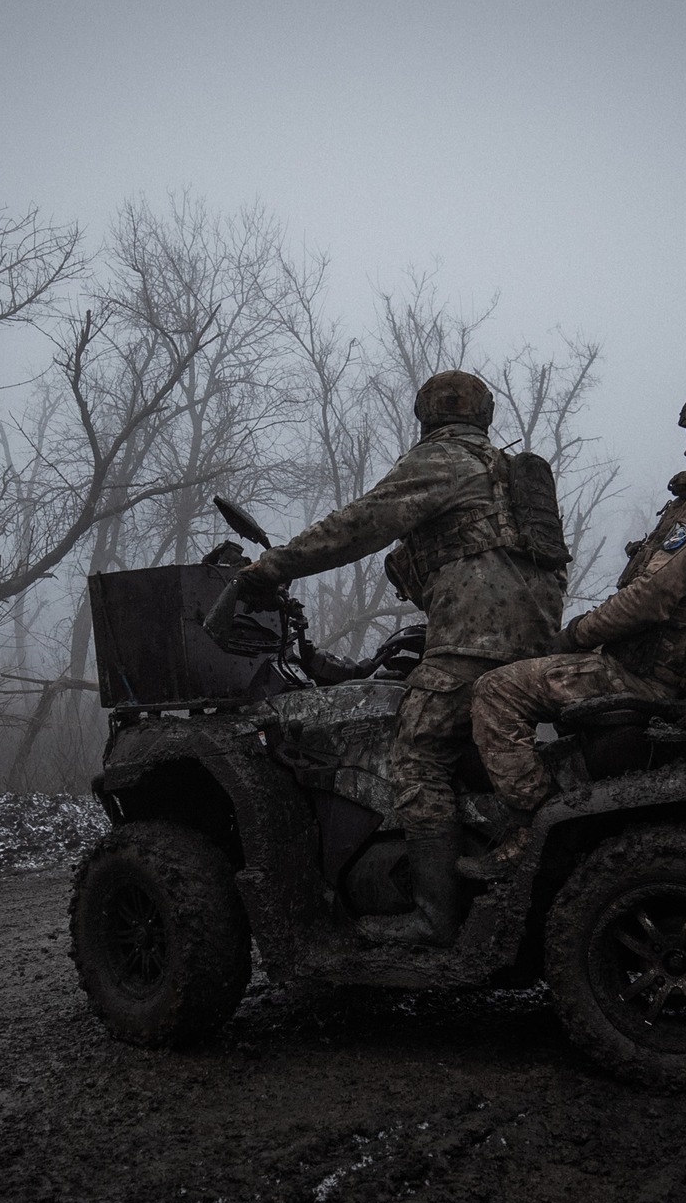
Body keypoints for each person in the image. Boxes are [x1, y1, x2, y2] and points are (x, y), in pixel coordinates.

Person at [226, 370, 566, 945]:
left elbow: (359, 524)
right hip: (534, 642)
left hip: (472, 645)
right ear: (484, 415)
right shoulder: (511, 477)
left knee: (415, 756)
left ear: (427, 416)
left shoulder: (444, 460)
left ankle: (435, 916)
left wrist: (272, 567)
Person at [460, 382, 686, 879]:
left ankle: (532, 828)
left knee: (496, 691)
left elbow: (651, 596)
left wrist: (577, 633)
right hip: (675, 666)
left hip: (649, 673)